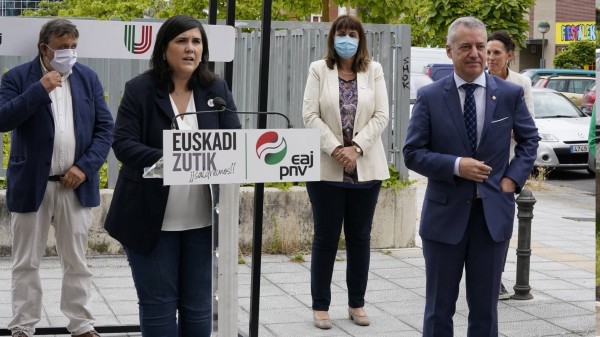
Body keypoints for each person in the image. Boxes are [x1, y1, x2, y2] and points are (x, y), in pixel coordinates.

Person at [103, 15, 241, 337]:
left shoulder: (216, 89)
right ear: (164, 48)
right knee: (158, 304)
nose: (190, 48)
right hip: (150, 219)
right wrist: (175, 158)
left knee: (198, 306)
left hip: (205, 221)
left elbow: (234, 140)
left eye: (196, 42)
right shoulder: (140, 89)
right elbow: (123, 144)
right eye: (181, 41)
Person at [403, 17, 540, 337]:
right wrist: (455, 165)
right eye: (466, 47)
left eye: (481, 46)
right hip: (444, 218)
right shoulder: (431, 96)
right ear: (449, 51)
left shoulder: (509, 93)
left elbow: (529, 140)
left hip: (492, 218)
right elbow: (412, 153)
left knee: (485, 311)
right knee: (438, 310)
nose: (476, 53)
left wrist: (511, 181)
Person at [0, 18, 114, 337]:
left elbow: (105, 129)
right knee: (26, 262)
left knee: (76, 261)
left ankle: (81, 324)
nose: (69, 54)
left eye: (74, 47)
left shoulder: (88, 79)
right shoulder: (18, 77)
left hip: (74, 185)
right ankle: (22, 326)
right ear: (44, 48)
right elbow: (3, 119)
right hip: (31, 184)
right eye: (63, 48)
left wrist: (84, 167)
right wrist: (41, 89)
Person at [302, 14, 390, 330]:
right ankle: (320, 307)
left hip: (366, 168)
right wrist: (337, 149)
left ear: (361, 38)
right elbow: (309, 115)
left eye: (353, 33)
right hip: (327, 168)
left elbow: (381, 115)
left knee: (359, 238)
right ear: (332, 37)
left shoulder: (374, 70)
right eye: (341, 32)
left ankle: (357, 304)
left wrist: (357, 148)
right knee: (325, 238)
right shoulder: (318, 69)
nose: (347, 38)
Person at [487, 30, 536, 300]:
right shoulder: (477, 80)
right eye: (488, 52)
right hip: (481, 165)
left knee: (501, 225)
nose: (490, 58)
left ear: (509, 55)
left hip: (508, 165)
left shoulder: (520, 84)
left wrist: (513, 178)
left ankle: (496, 279)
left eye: (496, 53)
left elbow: (526, 127)